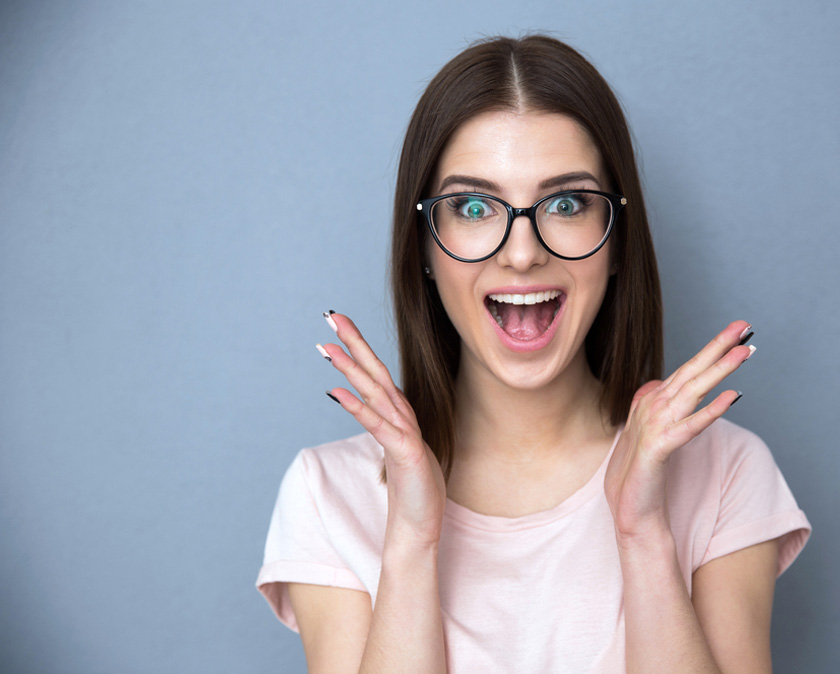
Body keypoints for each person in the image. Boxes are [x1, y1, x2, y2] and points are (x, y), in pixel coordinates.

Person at [257, 35, 810, 673]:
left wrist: (642, 536)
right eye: (472, 206)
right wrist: (410, 542)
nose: (522, 252)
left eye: (567, 203)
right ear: (426, 250)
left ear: (618, 240)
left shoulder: (727, 473)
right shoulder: (329, 493)